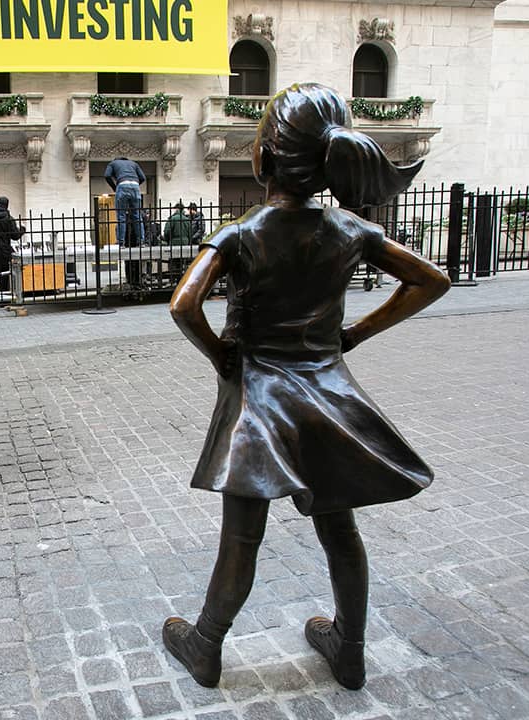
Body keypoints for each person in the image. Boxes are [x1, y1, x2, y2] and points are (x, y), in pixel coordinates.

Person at [161, 83, 450, 691]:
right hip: (326, 396)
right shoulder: (348, 229)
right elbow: (432, 280)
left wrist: (221, 358)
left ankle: (206, 644)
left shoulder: (242, 231)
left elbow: (185, 305)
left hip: (258, 400)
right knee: (339, 527)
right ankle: (350, 647)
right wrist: (354, 335)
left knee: (242, 534)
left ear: (263, 157)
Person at [104, 157, 146, 246]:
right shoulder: (134, 163)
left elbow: (107, 175)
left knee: (121, 216)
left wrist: (114, 187)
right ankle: (141, 241)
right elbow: (142, 177)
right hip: (135, 186)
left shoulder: (113, 163)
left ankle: (121, 242)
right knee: (137, 216)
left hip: (122, 185)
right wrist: (135, 185)